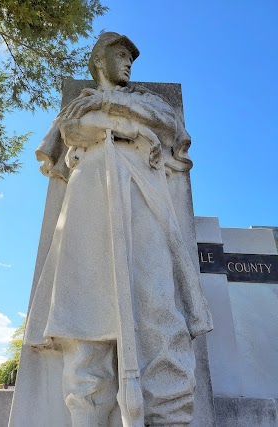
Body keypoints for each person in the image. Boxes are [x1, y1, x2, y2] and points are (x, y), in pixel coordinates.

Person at [23, 32, 212, 427]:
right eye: (120, 54)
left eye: (131, 57)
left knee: (159, 307)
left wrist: (112, 109)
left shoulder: (148, 102)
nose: (127, 62)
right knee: (84, 315)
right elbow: (71, 130)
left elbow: (168, 123)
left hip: (143, 198)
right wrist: (125, 128)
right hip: (88, 203)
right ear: (98, 60)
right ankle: (88, 413)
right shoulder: (77, 106)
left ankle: (169, 413)